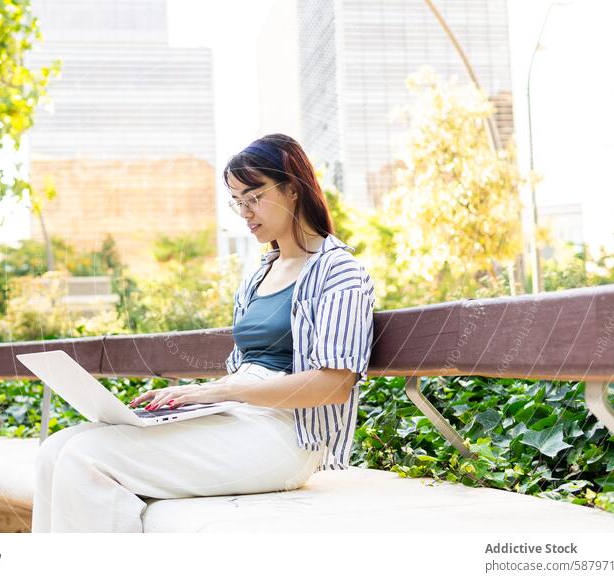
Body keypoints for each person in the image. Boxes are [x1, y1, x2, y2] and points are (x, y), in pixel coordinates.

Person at [31, 133, 376, 533]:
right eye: (237, 201)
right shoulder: (260, 274)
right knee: (55, 450)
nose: (245, 212)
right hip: (239, 414)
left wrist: (219, 391)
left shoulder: (339, 273)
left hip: (285, 435)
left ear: (293, 189)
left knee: (85, 458)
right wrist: (192, 397)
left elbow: (332, 385)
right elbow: (247, 371)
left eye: (254, 197)